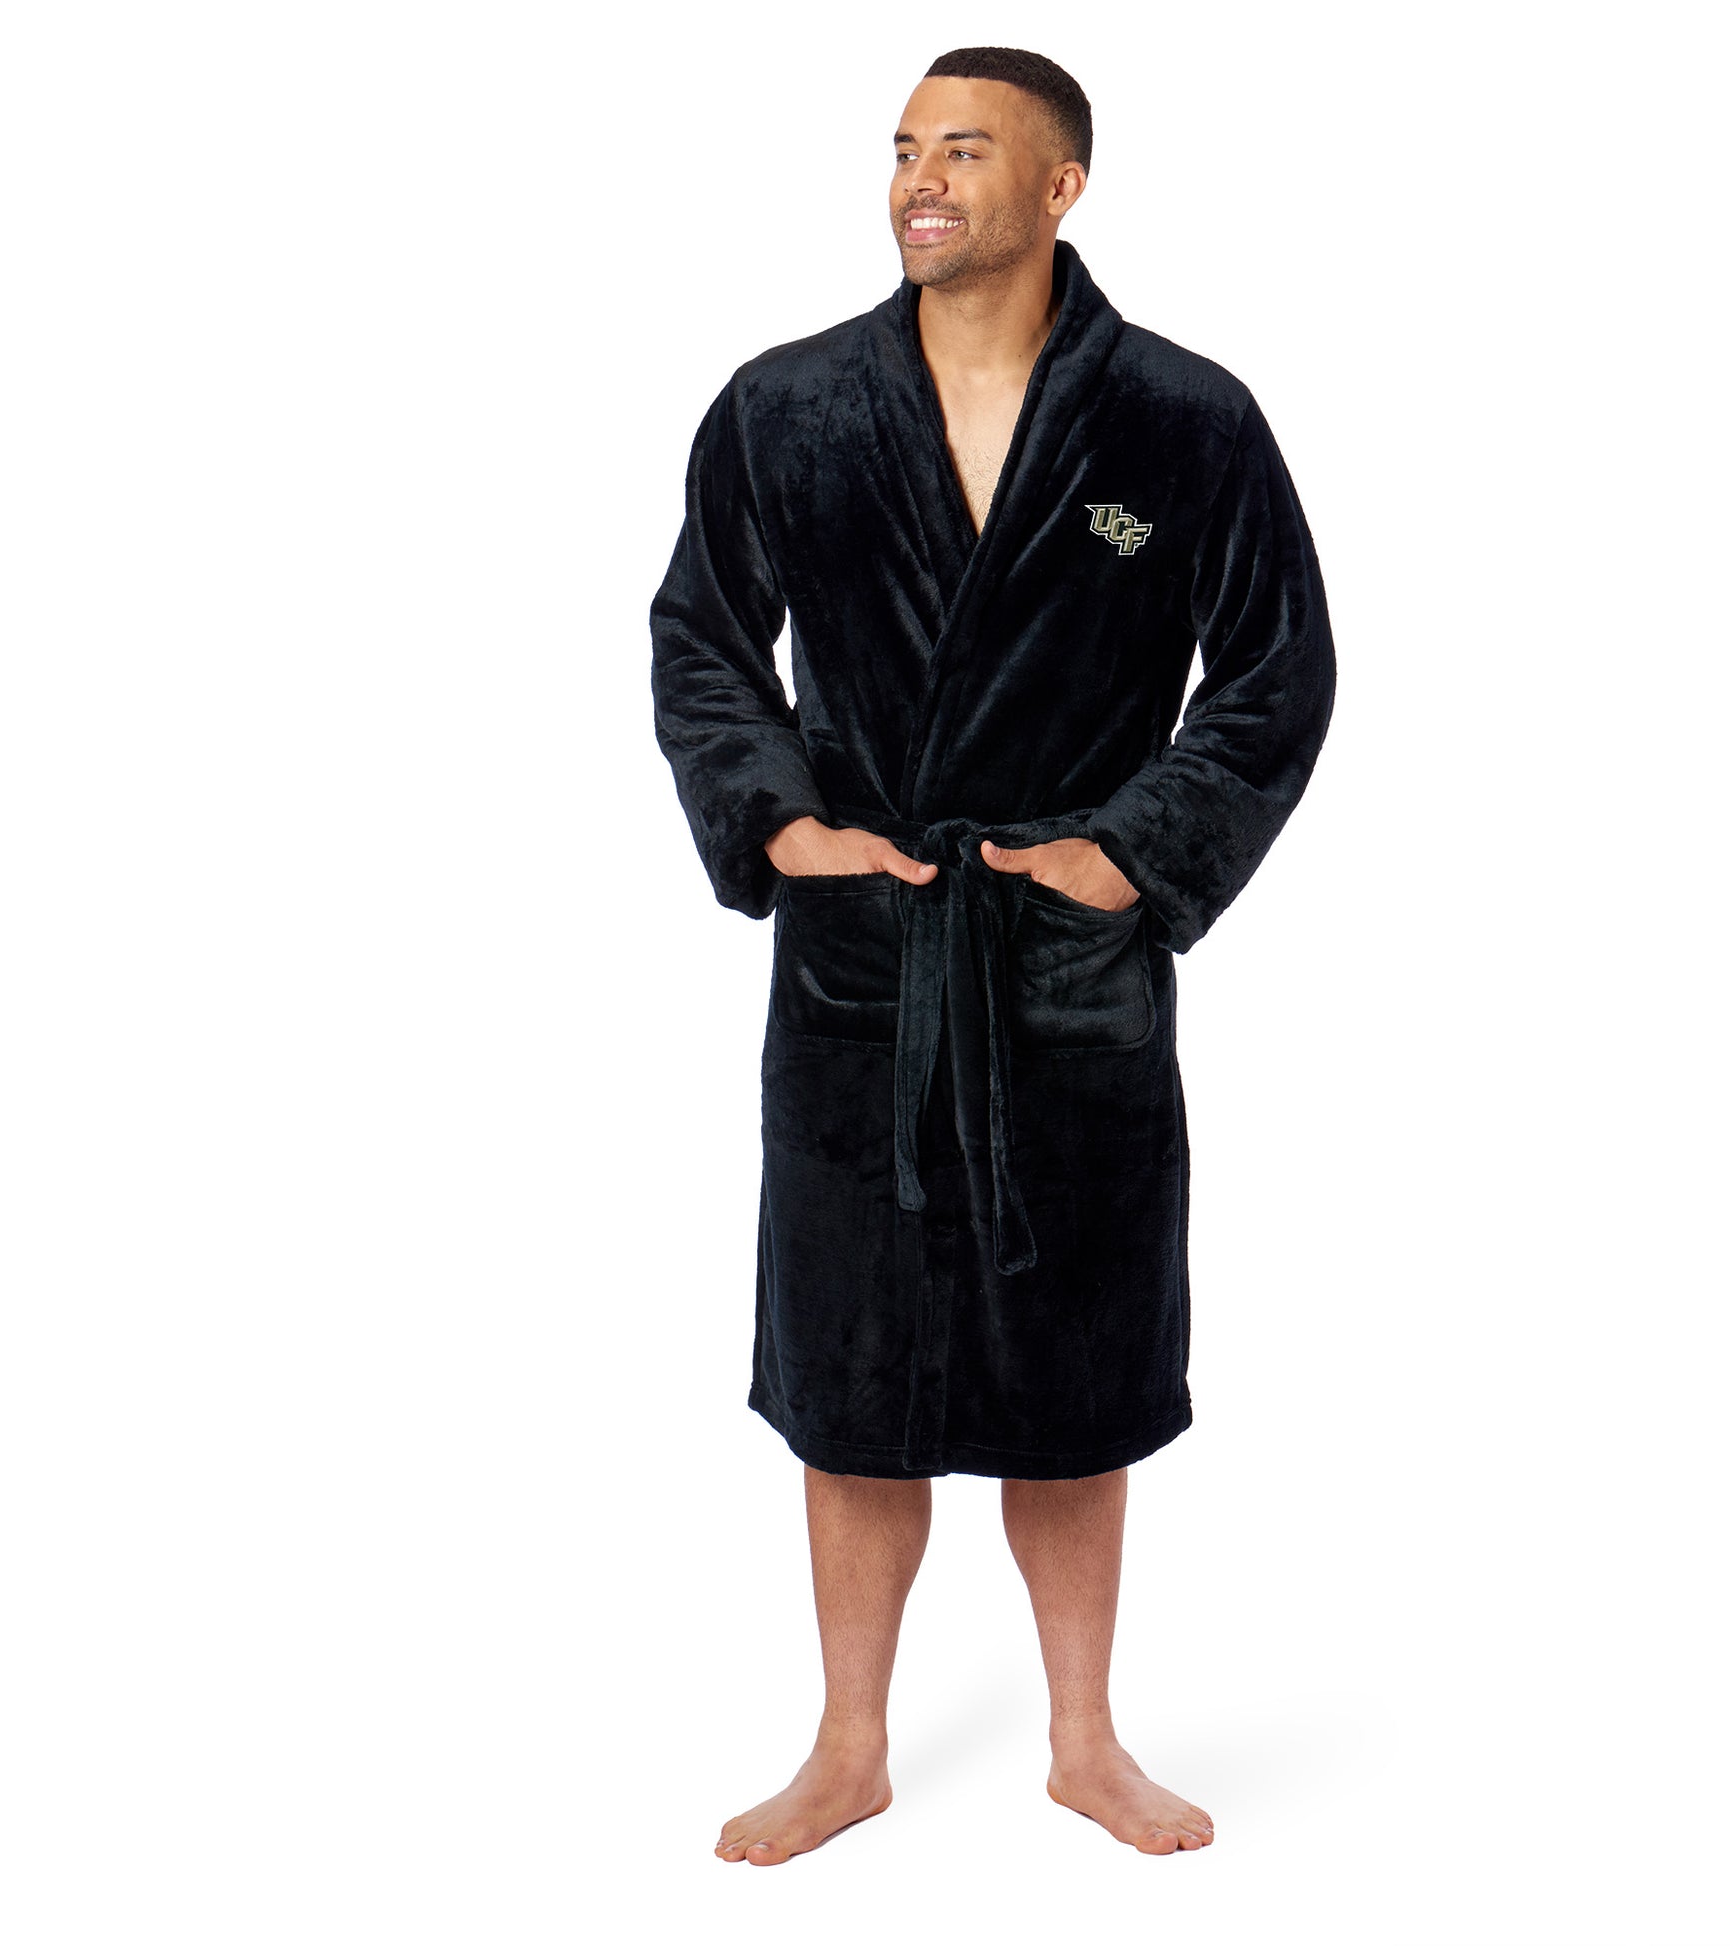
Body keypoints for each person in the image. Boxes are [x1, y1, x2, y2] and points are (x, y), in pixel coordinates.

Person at [649, 45, 1335, 1863]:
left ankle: (1085, 1739)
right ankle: (848, 1744)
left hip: (1062, 961)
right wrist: (784, 828)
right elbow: (703, 640)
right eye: (903, 149)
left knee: (1076, 1365)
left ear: (1059, 185)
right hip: (866, 956)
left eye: (963, 151)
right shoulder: (787, 405)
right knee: (849, 1369)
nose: (919, 181)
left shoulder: (1179, 419)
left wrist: (1128, 856)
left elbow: (1276, 671)